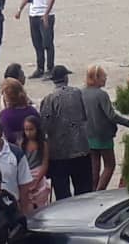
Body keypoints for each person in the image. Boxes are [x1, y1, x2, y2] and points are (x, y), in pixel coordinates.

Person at [38, 65, 91, 199]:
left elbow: (44, 126)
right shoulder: (77, 93)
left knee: (62, 195)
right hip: (80, 149)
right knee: (84, 192)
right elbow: (85, 117)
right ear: (66, 78)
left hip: (59, 153)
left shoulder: (49, 99)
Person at [83, 65, 129, 192]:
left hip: (88, 135)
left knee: (94, 166)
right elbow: (111, 116)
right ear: (97, 78)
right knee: (109, 165)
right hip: (103, 135)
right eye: (104, 76)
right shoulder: (101, 95)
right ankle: (100, 191)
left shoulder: (82, 92)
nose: (105, 79)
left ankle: (92, 191)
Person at [14, 0, 57, 79]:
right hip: (33, 13)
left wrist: (46, 13)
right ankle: (40, 67)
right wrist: (20, 9)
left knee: (47, 42)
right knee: (37, 43)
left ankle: (50, 68)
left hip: (45, 13)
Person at [20, 115, 51, 211]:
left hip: (38, 177)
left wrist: (37, 182)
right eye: (26, 130)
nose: (28, 133)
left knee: (40, 205)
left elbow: (45, 164)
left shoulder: (43, 144)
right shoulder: (22, 143)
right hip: (26, 176)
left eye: (31, 129)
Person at [0, 79, 38, 146]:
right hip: (34, 147)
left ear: (6, 98)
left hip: (16, 150)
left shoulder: (5, 115)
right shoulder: (32, 110)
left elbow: (9, 137)